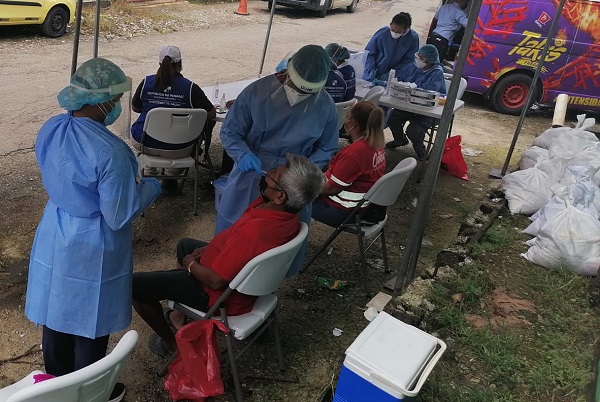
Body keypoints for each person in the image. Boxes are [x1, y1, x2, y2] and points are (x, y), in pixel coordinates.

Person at [25, 58, 162, 402]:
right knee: (90, 321)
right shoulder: (111, 151)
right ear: (101, 101)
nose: (116, 106)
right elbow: (118, 214)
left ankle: (56, 385)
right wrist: (150, 188)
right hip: (93, 242)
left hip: (57, 227)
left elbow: (53, 170)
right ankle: (89, 390)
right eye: (114, 100)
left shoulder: (52, 128)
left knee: (57, 312)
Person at [132, 154, 323, 356]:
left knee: (134, 286)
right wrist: (208, 249)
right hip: (241, 282)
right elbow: (235, 239)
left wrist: (190, 265)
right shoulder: (287, 216)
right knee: (185, 245)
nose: (268, 172)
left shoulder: (256, 231)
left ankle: (171, 345)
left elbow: (216, 281)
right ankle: (179, 316)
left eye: (273, 174)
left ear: (280, 196)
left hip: (218, 297)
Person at [217, 44, 339, 276]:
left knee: (280, 239)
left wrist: (301, 171)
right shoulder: (256, 93)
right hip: (252, 172)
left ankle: (266, 283)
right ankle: (225, 280)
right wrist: (242, 154)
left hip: (295, 182)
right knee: (235, 231)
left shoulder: (325, 106)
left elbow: (328, 146)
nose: (299, 96)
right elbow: (230, 131)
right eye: (296, 87)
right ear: (287, 73)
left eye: (308, 93)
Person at [130, 46, 217, 188]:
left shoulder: (146, 82)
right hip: (179, 148)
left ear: (159, 64)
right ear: (180, 64)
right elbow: (211, 114)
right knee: (195, 139)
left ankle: (148, 171)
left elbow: (135, 108)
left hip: (145, 143)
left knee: (144, 147)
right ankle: (171, 176)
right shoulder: (190, 88)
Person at [312, 101, 386, 226]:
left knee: (289, 199)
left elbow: (331, 189)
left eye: (347, 117)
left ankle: (289, 240)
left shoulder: (355, 153)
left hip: (340, 210)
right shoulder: (376, 145)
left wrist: (304, 188)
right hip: (359, 207)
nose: (345, 120)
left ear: (353, 123)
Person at [385, 45, 447, 160]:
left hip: (427, 110)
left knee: (414, 130)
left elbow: (432, 90)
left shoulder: (436, 72)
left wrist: (414, 87)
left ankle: (421, 151)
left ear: (429, 59)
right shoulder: (413, 67)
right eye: (418, 56)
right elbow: (401, 77)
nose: (418, 60)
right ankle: (400, 140)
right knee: (392, 119)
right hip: (409, 104)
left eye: (421, 58)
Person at [363, 12, 419, 82]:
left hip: (395, 77)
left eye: (398, 32)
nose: (394, 33)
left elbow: (409, 61)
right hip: (373, 72)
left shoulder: (412, 38)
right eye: (392, 30)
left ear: (406, 29)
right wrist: (370, 70)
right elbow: (369, 53)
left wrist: (393, 74)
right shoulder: (382, 33)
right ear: (390, 24)